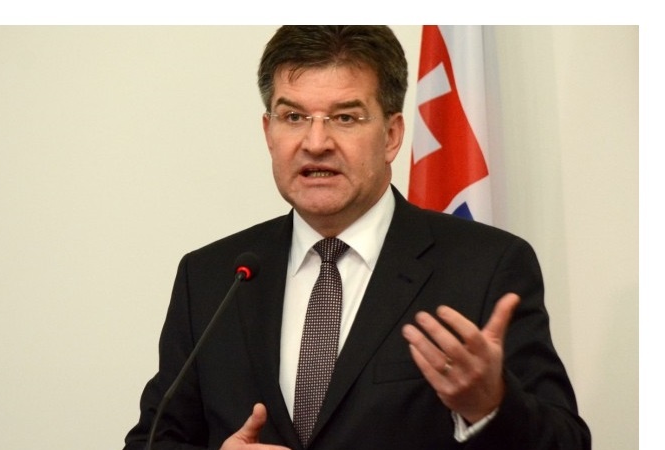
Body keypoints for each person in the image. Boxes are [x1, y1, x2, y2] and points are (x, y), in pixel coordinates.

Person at [123, 26, 590, 449]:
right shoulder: (210, 276)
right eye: (293, 117)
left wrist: (490, 406)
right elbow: (153, 440)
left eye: (345, 117)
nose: (315, 143)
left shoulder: (485, 266)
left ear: (391, 135)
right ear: (268, 132)